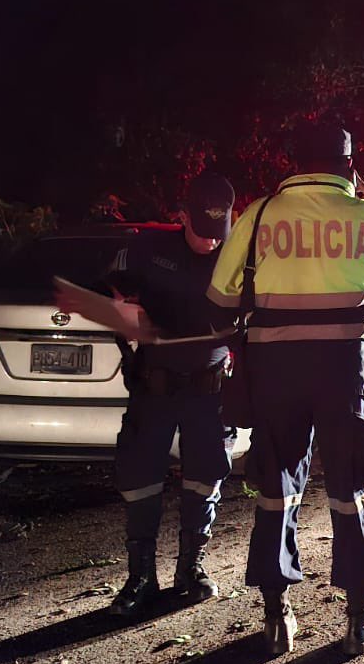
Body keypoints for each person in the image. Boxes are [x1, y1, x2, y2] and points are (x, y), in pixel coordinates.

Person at [207, 121, 364, 656]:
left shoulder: (258, 216)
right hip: (344, 372)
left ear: (293, 166)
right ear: (349, 167)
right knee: (352, 486)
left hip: (274, 372)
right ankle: (360, 620)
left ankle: (275, 619)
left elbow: (219, 297)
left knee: (276, 487)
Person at [61, 173, 237, 618]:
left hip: (209, 391)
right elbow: (103, 290)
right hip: (154, 385)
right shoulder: (149, 249)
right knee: (140, 479)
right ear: (182, 216)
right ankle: (140, 578)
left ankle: (190, 569)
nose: (211, 243)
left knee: (206, 476)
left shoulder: (239, 255)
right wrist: (115, 309)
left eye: (220, 233)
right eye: (202, 231)